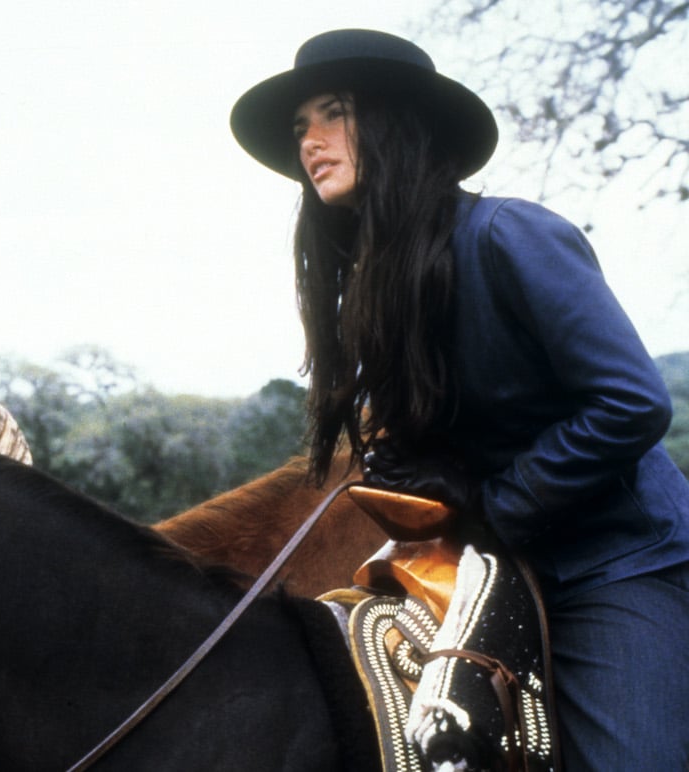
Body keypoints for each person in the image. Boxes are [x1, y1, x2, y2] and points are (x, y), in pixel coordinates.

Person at [229, 28, 689, 770]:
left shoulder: (512, 235)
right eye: (299, 127)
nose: (309, 142)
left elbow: (632, 403)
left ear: (396, 123)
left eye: (333, 113)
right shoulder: (374, 287)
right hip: (486, 564)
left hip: (613, 560)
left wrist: (495, 500)